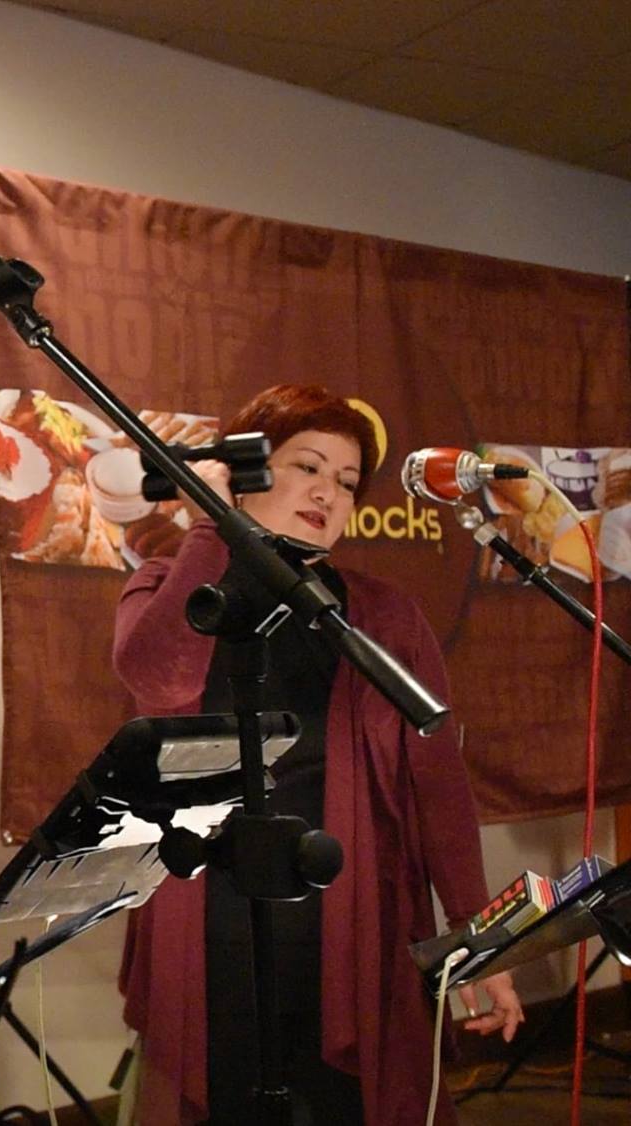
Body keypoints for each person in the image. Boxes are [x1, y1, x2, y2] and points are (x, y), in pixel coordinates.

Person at [110, 384, 523, 1126]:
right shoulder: (168, 584)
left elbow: (438, 786)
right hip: (209, 916)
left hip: (349, 920)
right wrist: (213, 528)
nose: (328, 493)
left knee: (345, 1103)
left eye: (346, 481)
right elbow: (159, 678)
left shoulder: (383, 614)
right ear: (245, 472)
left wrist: (477, 935)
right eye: (307, 466)